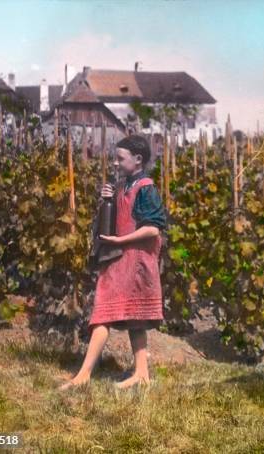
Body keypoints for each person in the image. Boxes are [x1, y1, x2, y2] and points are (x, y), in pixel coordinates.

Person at [59, 135, 166, 391]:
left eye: (120, 159)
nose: (115, 164)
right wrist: (108, 199)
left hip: (137, 259)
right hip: (121, 256)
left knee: (106, 311)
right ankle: (141, 373)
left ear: (138, 160)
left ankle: (84, 374)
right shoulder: (125, 185)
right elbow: (118, 217)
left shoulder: (146, 188)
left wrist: (120, 240)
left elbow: (153, 229)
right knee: (127, 314)